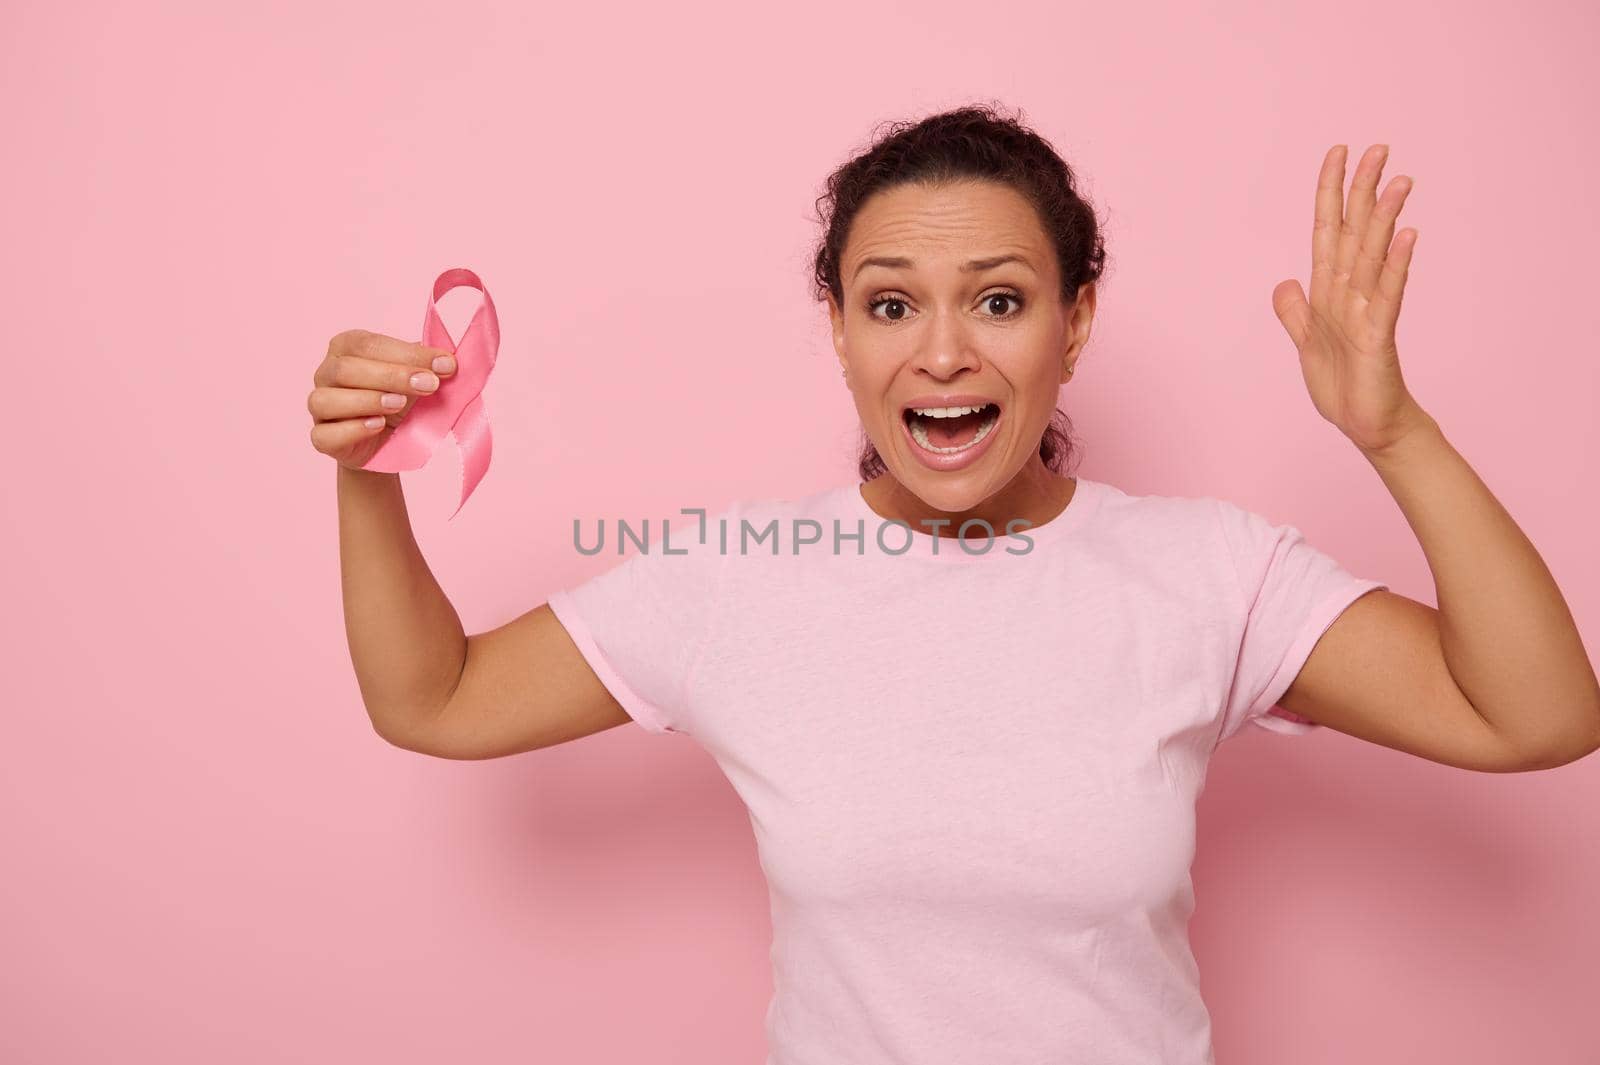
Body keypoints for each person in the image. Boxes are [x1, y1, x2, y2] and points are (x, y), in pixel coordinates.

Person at [308, 103, 1600, 1064]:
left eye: (997, 299)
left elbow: (1536, 715)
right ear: (837, 326)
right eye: (888, 305)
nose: (940, 352)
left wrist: (1394, 434)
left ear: (1075, 319)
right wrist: (371, 475)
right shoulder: (735, 580)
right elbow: (439, 698)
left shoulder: (1210, 572)